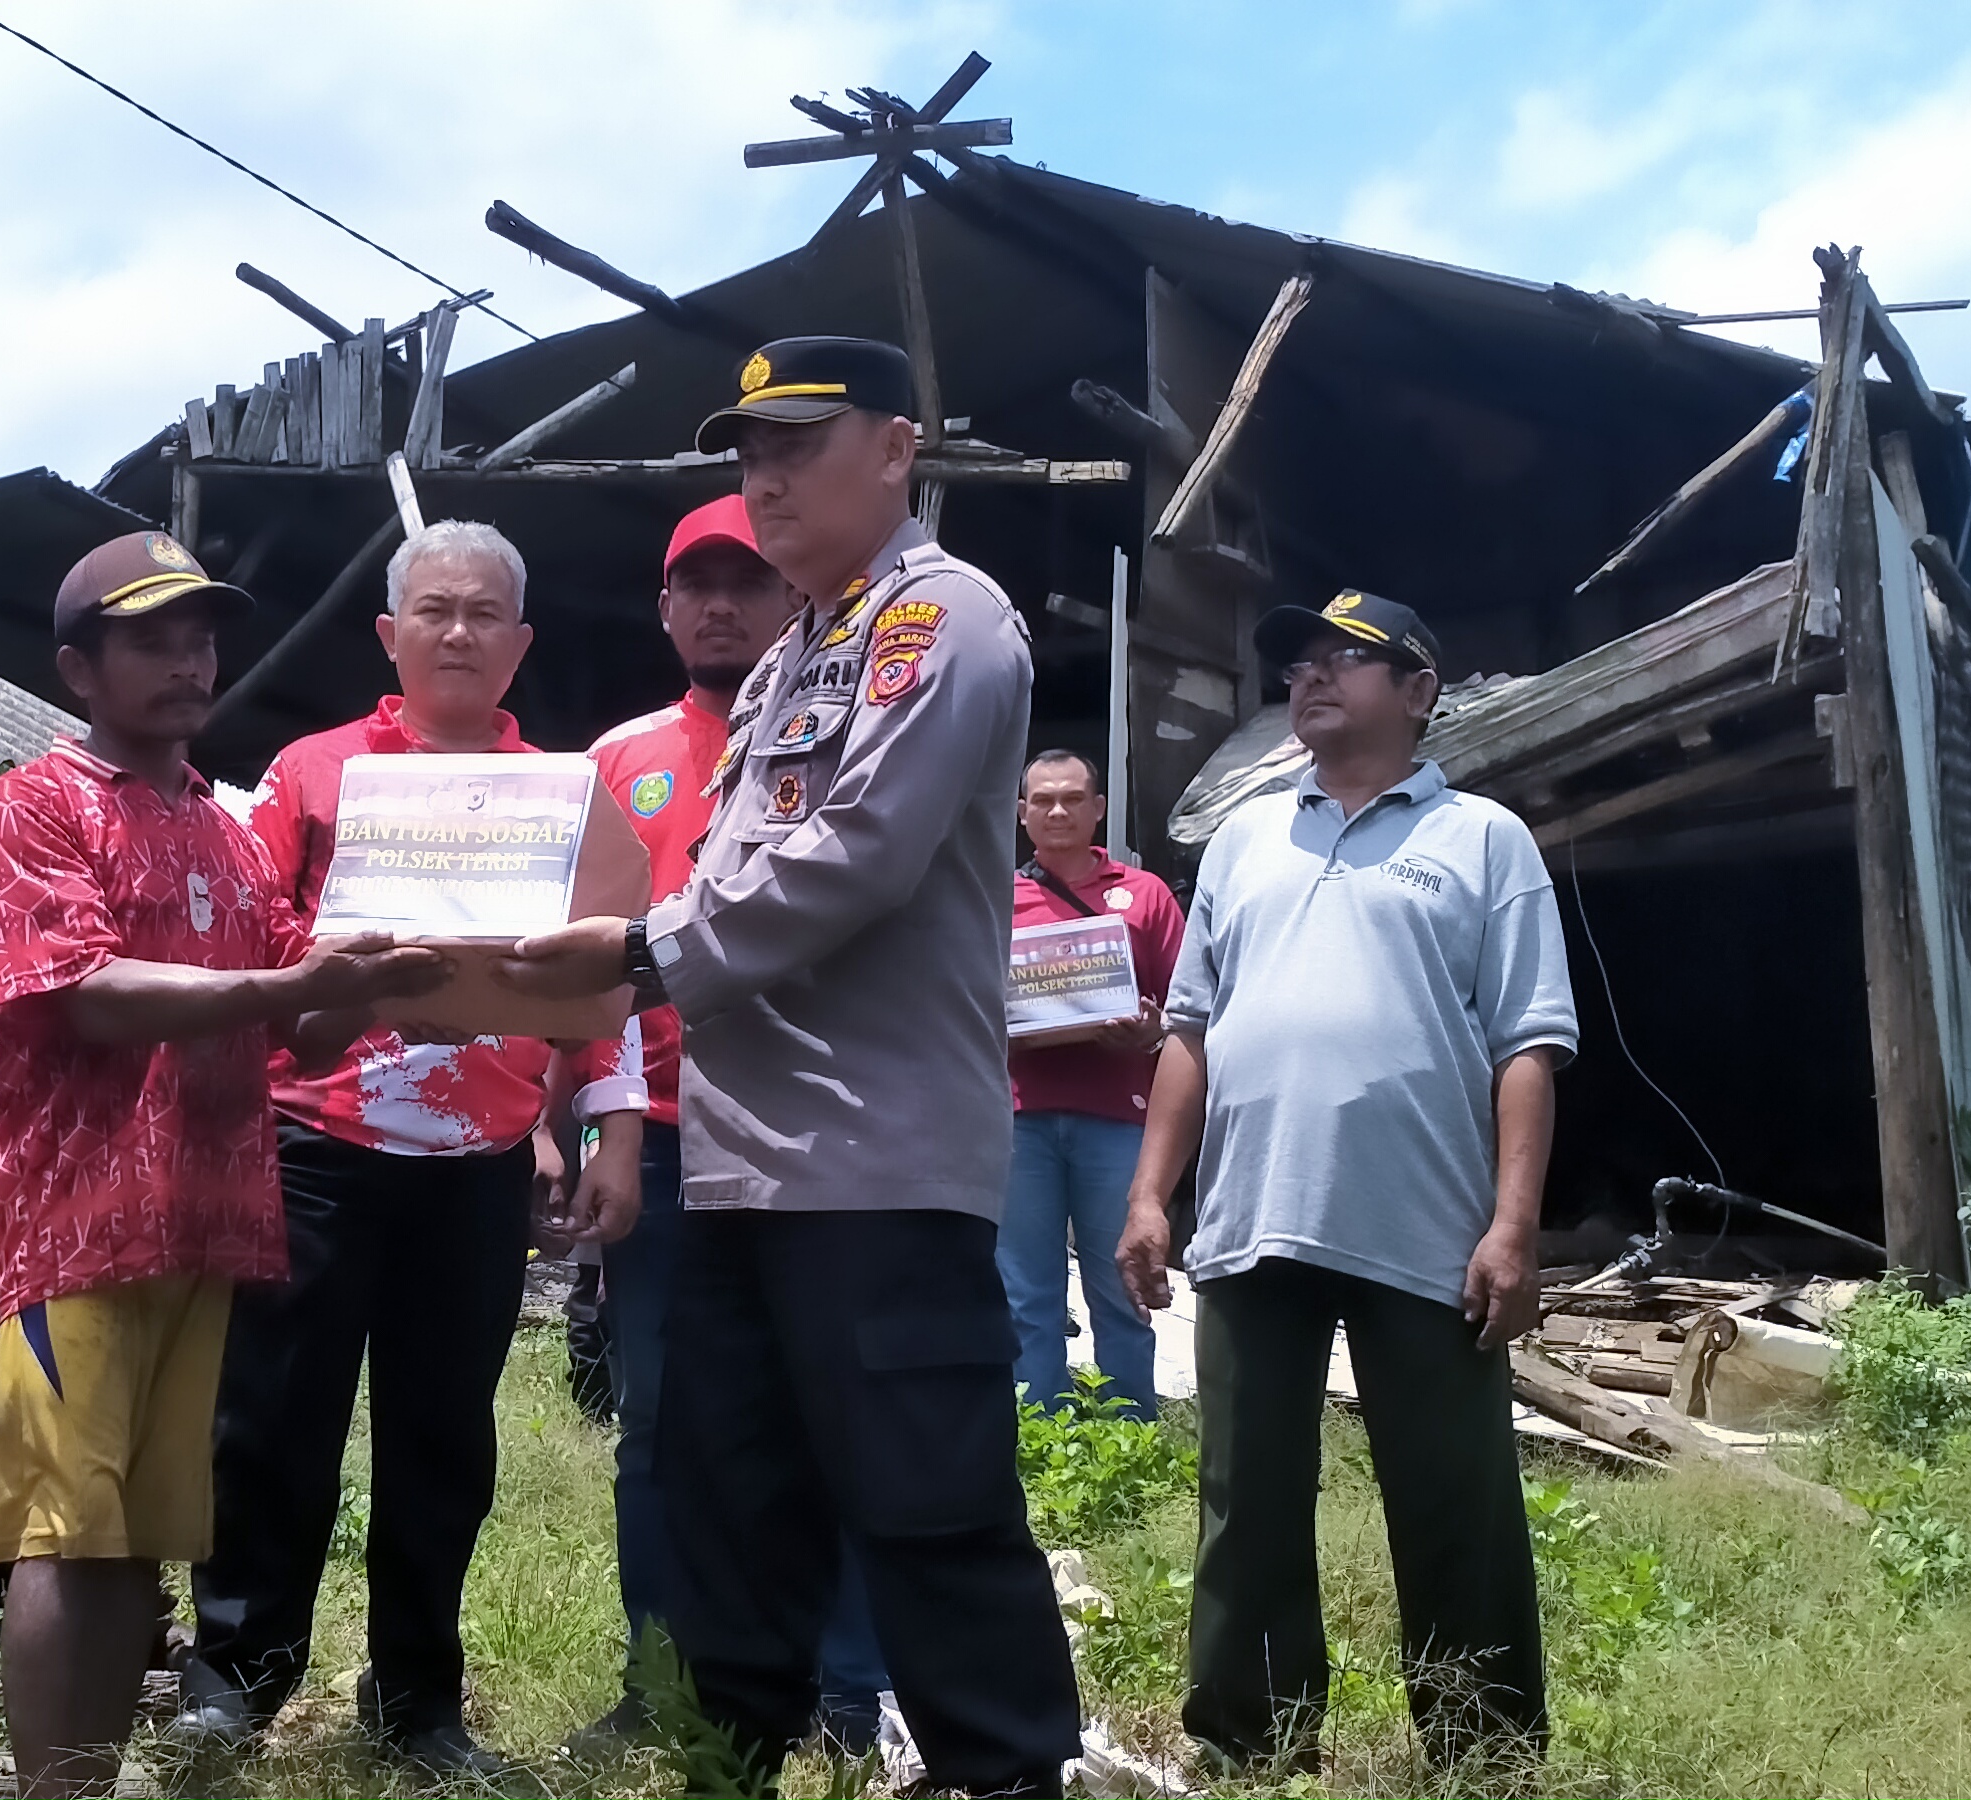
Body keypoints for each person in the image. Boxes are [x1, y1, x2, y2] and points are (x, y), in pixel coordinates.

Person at [501, 338, 1080, 1797]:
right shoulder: (795, 652)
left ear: (897, 446)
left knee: (927, 1503)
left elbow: (851, 857)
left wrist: (633, 955)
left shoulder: (939, 622)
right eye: (747, 450)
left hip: (873, 1158)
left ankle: (999, 1774)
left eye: (800, 443)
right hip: (744, 1155)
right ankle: (729, 1759)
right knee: (728, 1498)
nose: (764, 476)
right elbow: (741, 865)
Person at [0, 532, 451, 1800]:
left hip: (210, 1217)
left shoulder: (228, 834)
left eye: (200, 635)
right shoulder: (33, 803)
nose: (189, 660)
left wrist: (418, 977)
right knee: (66, 1537)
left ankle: (96, 1780)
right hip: (80, 1221)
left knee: (140, 1539)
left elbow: (309, 1017)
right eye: (150, 638)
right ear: (79, 666)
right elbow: (84, 994)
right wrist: (296, 982)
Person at [177, 519, 649, 1775]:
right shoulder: (311, 773)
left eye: (483, 614)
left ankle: (418, 1706)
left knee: (444, 1440)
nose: (457, 631)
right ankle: (235, 1677)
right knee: (271, 1423)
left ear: (519, 644)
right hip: (313, 1143)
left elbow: (614, 973)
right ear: (389, 634)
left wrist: (610, 1129)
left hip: (480, 1165)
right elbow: (246, 938)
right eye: (432, 610)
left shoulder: (564, 794)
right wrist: (349, 984)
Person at [1112, 588, 1576, 1778]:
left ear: (1418, 691)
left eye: (1343, 662)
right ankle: (1247, 1742)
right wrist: (1151, 1196)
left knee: (1453, 1502)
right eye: (1296, 666)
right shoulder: (1243, 840)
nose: (1308, 681)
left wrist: (1513, 1228)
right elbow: (1190, 1034)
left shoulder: (1482, 839)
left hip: (1425, 1225)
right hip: (1253, 1216)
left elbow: (1527, 1043)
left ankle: (1481, 1749)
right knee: (1245, 1498)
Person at [570, 497, 891, 1760]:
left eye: (746, 581)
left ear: (789, 597)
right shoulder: (614, 760)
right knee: (660, 1423)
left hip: (813, 1125)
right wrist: (590, 1120)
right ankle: (661, 1680)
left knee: (836, 1409)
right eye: (694, 585)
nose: (720, 605)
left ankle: (851, 1695)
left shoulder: (851, 732)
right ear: (663, 610)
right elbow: (584, 967)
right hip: (657, 1127)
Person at [1001, 750, 1187, 1408]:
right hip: (1020, 1117)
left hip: (1118, 1117)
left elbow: (1187, 1014)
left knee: (1124, 1284)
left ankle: (1131, 1433)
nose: (1057, 811)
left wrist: (1149, 1030)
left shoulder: (1145, 895)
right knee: (1026, 1293)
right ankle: (1044, 1438)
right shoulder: (995, 898)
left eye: (1073, 798)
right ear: (1021, 813)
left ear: (1098, 809)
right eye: (1042, 800)